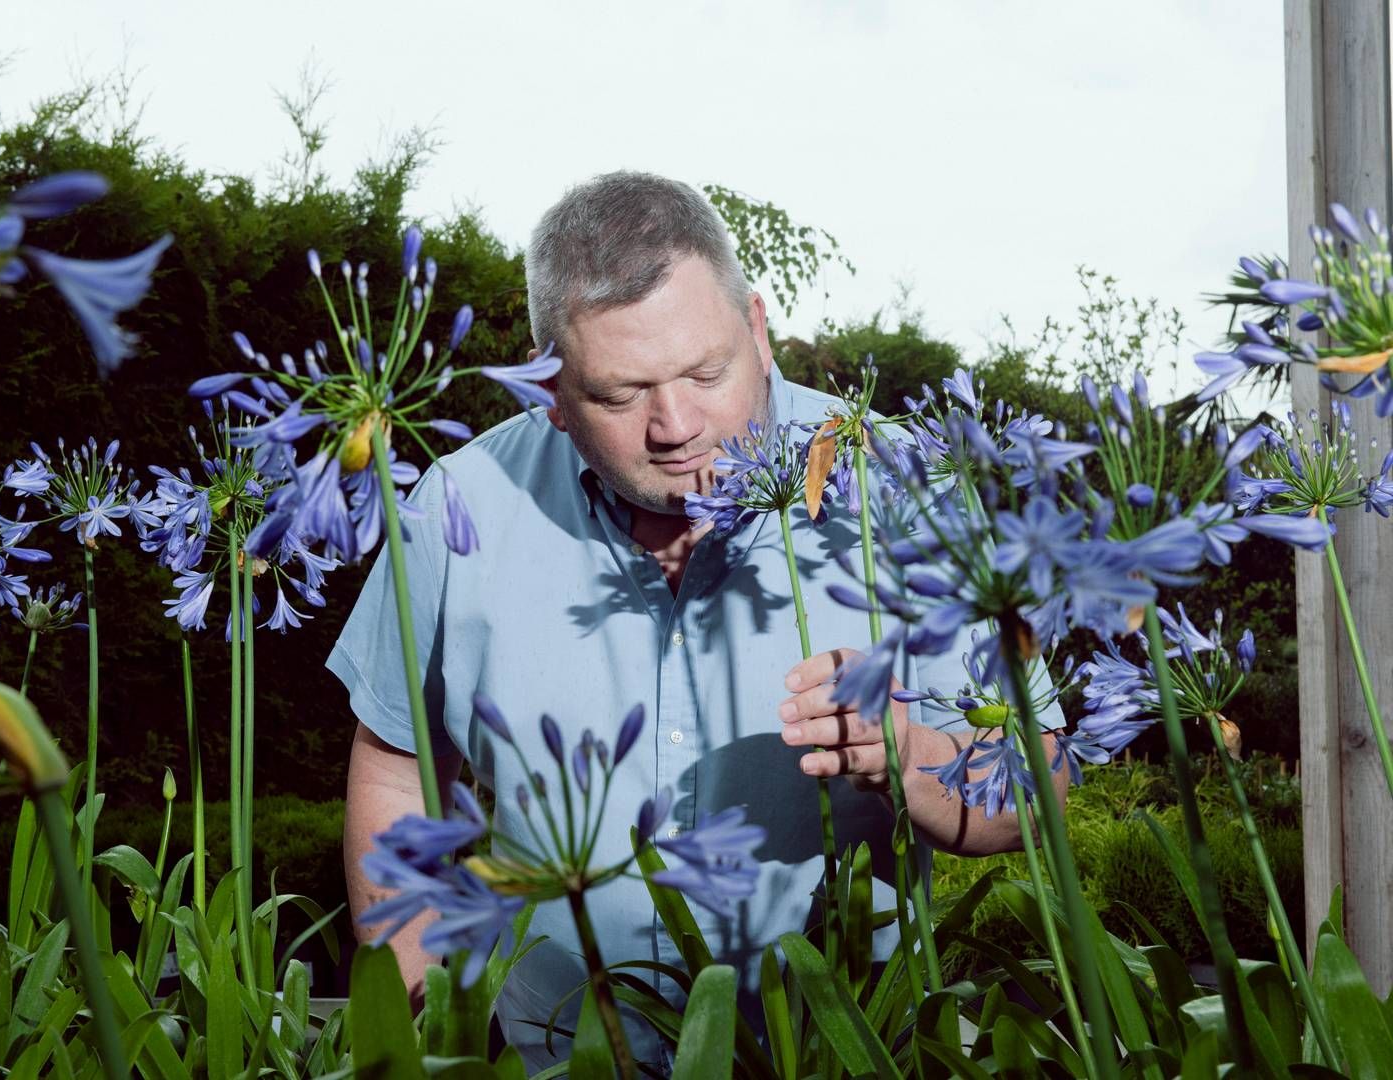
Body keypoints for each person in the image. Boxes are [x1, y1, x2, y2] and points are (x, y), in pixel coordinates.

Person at [329, 171, 1065, 1068]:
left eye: (706, 372)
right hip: (554, 1060)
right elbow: (400, 777)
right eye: (618, 394)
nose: (675, 424)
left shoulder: (906, 487)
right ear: (550, 391)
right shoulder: (460, 507)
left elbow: (1038, 785)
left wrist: (904, 754)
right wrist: (418, 1025)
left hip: (849, 1053)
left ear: (757, 329)